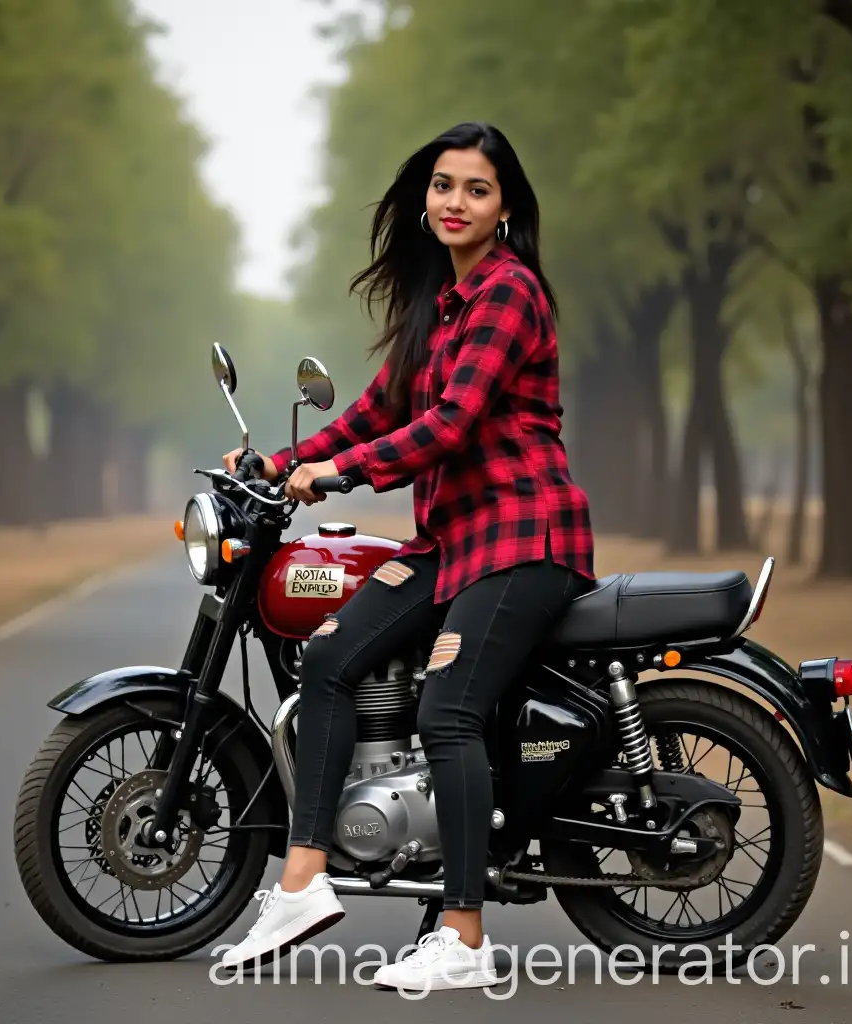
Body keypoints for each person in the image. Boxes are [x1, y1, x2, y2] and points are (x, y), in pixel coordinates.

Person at [219, 121, 595, 992]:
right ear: (424, 201)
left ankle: (464, 937)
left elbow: (450, 425)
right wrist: (282, 465)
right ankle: (304, 880)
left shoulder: (509, 294)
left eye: (476, 189)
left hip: (522, 535)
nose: (454, 202)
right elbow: (380, 410)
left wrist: (336, 475)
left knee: (448, 712)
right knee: (330, 658)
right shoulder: (436, 303)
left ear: (505, 209)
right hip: (449, 540)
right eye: (442, 186)